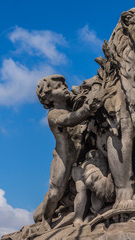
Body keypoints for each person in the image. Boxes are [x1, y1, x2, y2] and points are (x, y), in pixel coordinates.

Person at [35, 74, 102, 228]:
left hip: (81, 156)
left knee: (81, 188)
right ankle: (46, 218)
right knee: (55, 193)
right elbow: (69, 120)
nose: (64, 88)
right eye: (58, 87)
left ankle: (80, 215)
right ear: (48, 97)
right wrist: (85, 110)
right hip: (63, 159)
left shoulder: (74, 104)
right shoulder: (53, 114)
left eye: (64, 85)